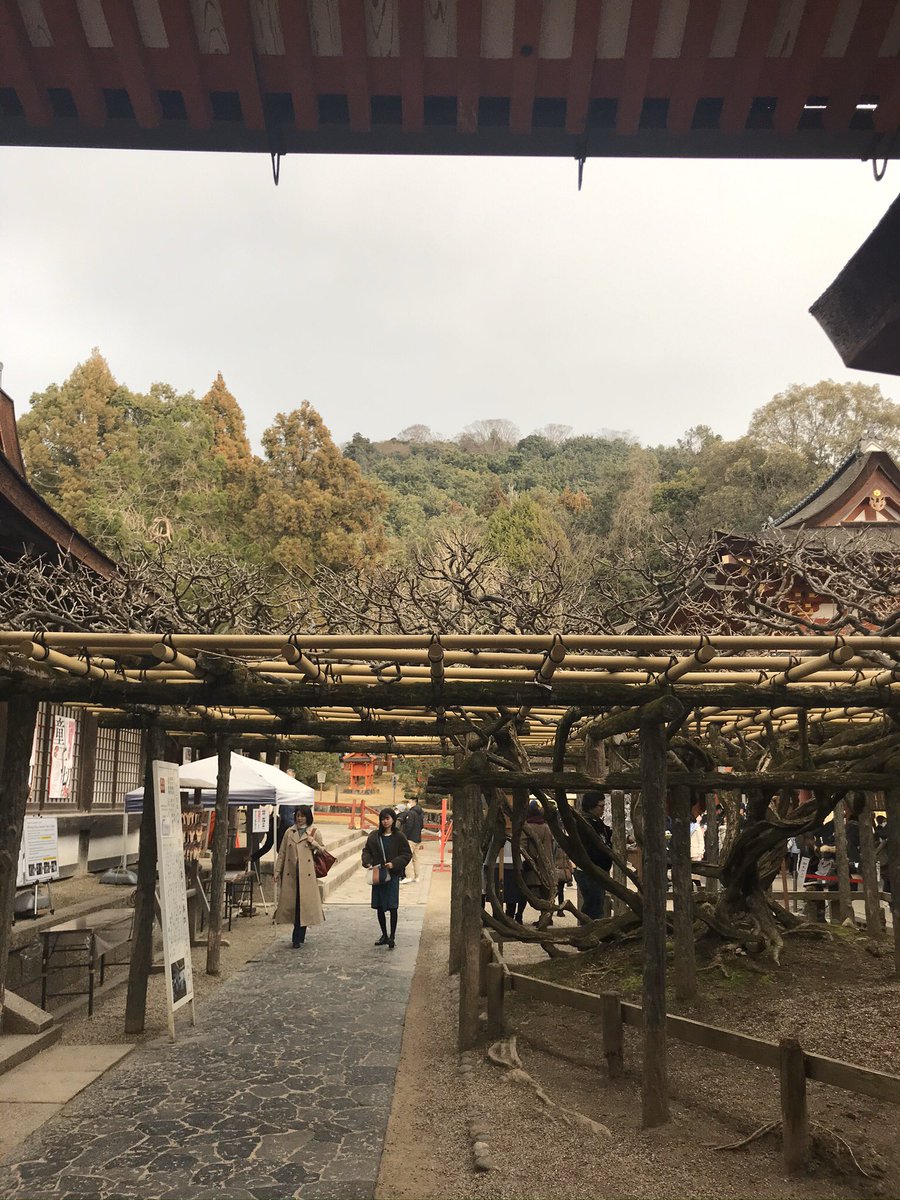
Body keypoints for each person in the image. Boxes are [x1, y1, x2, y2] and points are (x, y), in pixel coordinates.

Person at [273, 804, 326, 948]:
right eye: (298, 816)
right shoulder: (289, 832)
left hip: (307, 876)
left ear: (308, 817)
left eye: (302, 816)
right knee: (294, 905)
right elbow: (282, 853)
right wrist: (277, 872)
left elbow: (323, 851)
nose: (300, 819)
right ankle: (297, 936)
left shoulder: (314, 832)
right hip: (291, 874)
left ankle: (298, 937)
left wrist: (313, 843)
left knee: (303, 906)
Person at [362, 808, 412, 949]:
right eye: (383, 818)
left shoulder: (399, 837)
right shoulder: (374, 836)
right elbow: (366, 850)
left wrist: (394, 863)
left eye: (388, 818)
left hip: (392, 875)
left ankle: (392, 935)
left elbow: (406, 854)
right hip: (378, 875)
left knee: (392, 906)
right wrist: (367, 861)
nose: (385, 821)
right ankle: (384, 933)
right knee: (379, 906)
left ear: (393, 819)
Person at [574, 791, 612, 920]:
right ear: (592, 806)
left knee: (596, 904)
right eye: (601, 806)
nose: (603, 809)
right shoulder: (584, 823)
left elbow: (608, 833)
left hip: (599, 870)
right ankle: (589, 934)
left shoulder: (597, 823)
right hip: (590, 870)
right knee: (593, 907)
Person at [518, 799, 556, 924]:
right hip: (547, 864)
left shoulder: (526, 827)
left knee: (525, 891)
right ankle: (546, 917)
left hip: (532, 864)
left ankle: (519, 915)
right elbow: (552, 845)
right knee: (546, 892)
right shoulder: (546, 827)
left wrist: (527, 859)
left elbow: (522, 846)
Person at [400, 798, 425, 883]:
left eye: (409, 802)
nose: (408, 803)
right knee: (416, 858)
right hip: (418, 838)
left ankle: (408, 876)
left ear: (414, 802)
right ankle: (417, 876)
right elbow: (422, 825)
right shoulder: (420, 813)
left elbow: (408, 826)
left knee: (408, 857)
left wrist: (404, 836)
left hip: (410, 838)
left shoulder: (411, 813)